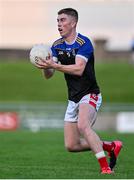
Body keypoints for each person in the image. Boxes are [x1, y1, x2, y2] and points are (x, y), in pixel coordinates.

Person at [34, 8, 122, 174]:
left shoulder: (84, 43)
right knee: (72, 145)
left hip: (90, 94)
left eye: (63, 20)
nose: (59, 24)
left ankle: (105, 168)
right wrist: (45, 65)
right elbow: (49, 75)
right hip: (73, 98)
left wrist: (54, 65)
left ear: (73, 23)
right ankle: (111, 146)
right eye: (58, 21)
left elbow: (79, 69)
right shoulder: (57, 45)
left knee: (83, 125)